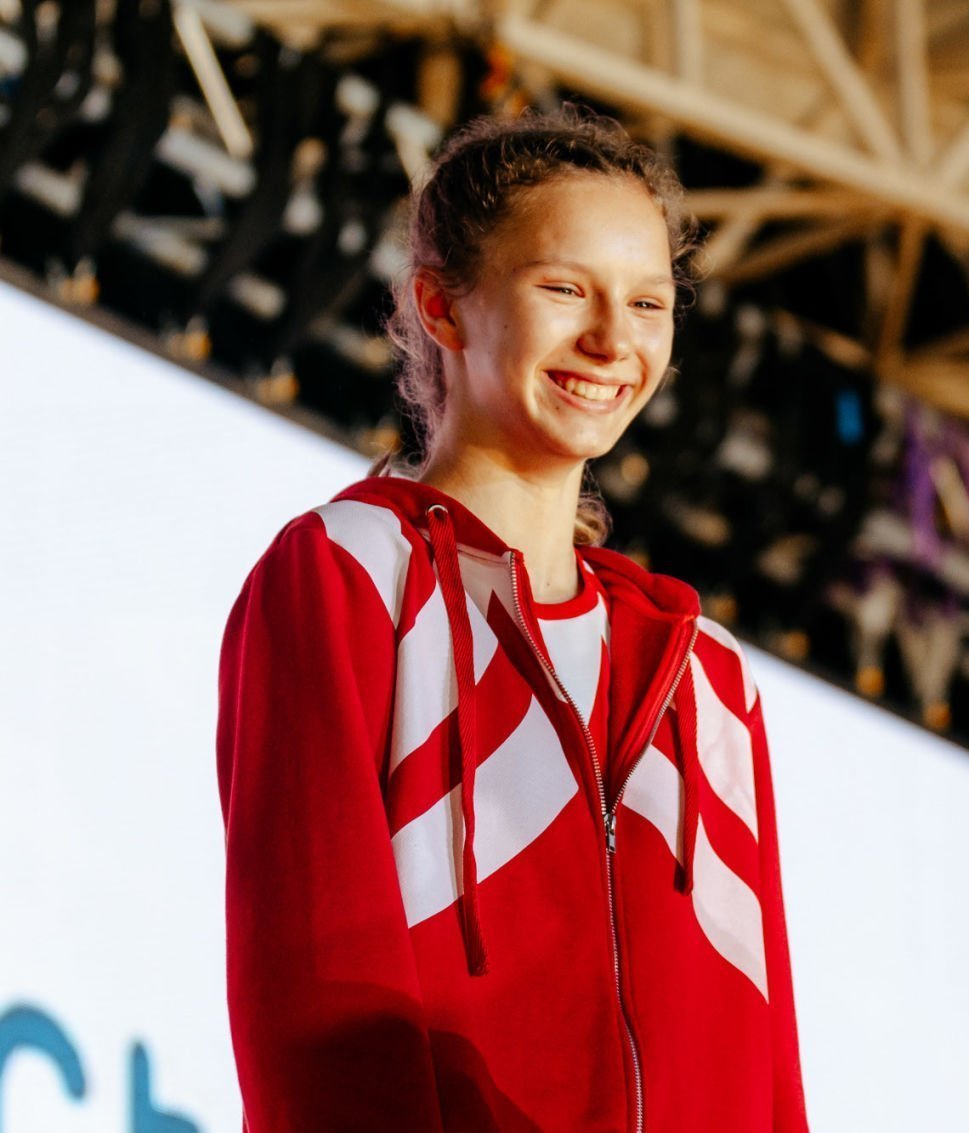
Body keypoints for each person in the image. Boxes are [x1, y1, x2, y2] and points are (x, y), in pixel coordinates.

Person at [215, 106, 809, 1132]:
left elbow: (770, 1068)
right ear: (440, 305)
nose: (612, 339)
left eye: (648, 302)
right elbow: (313, 994)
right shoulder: (349, 572)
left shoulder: (706, 675)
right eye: (564, 289)